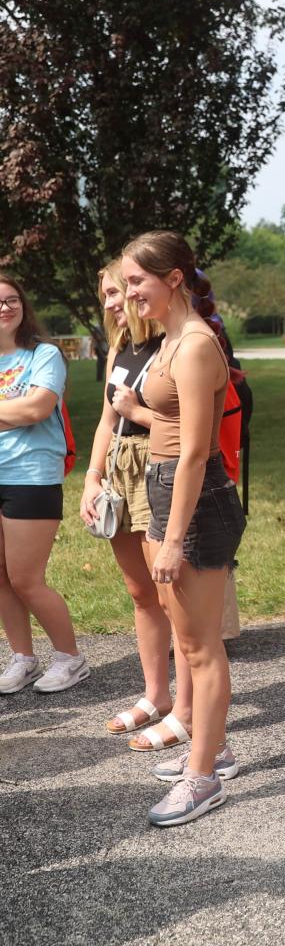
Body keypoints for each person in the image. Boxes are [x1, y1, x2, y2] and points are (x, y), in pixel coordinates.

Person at [122, 231, 247, 826]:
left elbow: (197, 451)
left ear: (173, 279)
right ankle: (210, 746)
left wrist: (172, 537)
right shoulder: (168, 337)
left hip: (195, 500)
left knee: (200, 645)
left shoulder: (196, 344)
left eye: (136, 282)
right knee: (186, 634)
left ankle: (204, 777)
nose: (128, 293)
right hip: (165, 489)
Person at [80, 262, 174, 732]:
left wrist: (138, 411)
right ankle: (157, 696)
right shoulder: (121, 345)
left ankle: (191, 710)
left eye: (117, 291)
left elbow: (194, 431)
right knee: (141, 593)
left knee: (171, 594)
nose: (112, 303)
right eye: (106, 296)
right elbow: (104, 420)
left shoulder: (171, 344)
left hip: (159, 466)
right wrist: (91, 478)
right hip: (119, 467)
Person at [0, 272, 85, 696]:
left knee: (26, 578)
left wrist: (20, 409)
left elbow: (37, 408)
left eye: (12, 299)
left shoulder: (43, 354)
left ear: (23, 306)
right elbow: (23, 407)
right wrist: (13, 410)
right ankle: (24, 659)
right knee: (0, 577)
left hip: (30, 475)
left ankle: (70, 659)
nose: (5, 307)